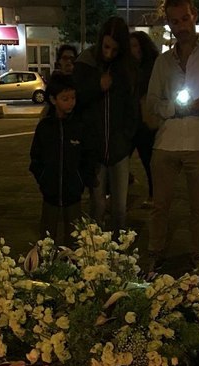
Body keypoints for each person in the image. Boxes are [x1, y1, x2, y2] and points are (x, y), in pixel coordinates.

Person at [144, 0, 199, 278]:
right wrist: (173, 108)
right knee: (160, 206)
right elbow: (152, 100)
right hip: (167, 142)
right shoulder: (163, 60)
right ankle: (155, 253)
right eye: (174, 21)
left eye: (184, 19)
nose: (180, 27)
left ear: (194, 16)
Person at [73, 17, 139, 238]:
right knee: (97, 205)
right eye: (106, 47)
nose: (109, 53)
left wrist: (126, 138)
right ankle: (94, 252)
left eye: (115, 49)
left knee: (120, 207)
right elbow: (76, 99)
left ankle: (118, 253)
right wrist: (97, 86)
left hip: (119, 148)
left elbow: (131, 108)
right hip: (95, 148)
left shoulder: (127, 68)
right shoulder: (86, 62)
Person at [30, 75, 96, 243]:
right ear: (53, 99)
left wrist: (83, 180)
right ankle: (47, 265)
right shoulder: (45, 127)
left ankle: (72, 266)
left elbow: (87, 156)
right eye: (65, 99)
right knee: (47, 237)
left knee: (74, 237)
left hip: (73, 193)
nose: (70, 102)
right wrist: (43, 179)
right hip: (50, 193)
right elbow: (36, 157)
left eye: (73, 98)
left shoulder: (79, 126)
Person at [130, 31, 160, 210]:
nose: (132, 49)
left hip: (145, 120)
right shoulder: (128, 66)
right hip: (131, 119)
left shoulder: (152, 67)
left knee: (148, 159)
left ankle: (154, 193)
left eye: (135, 45)